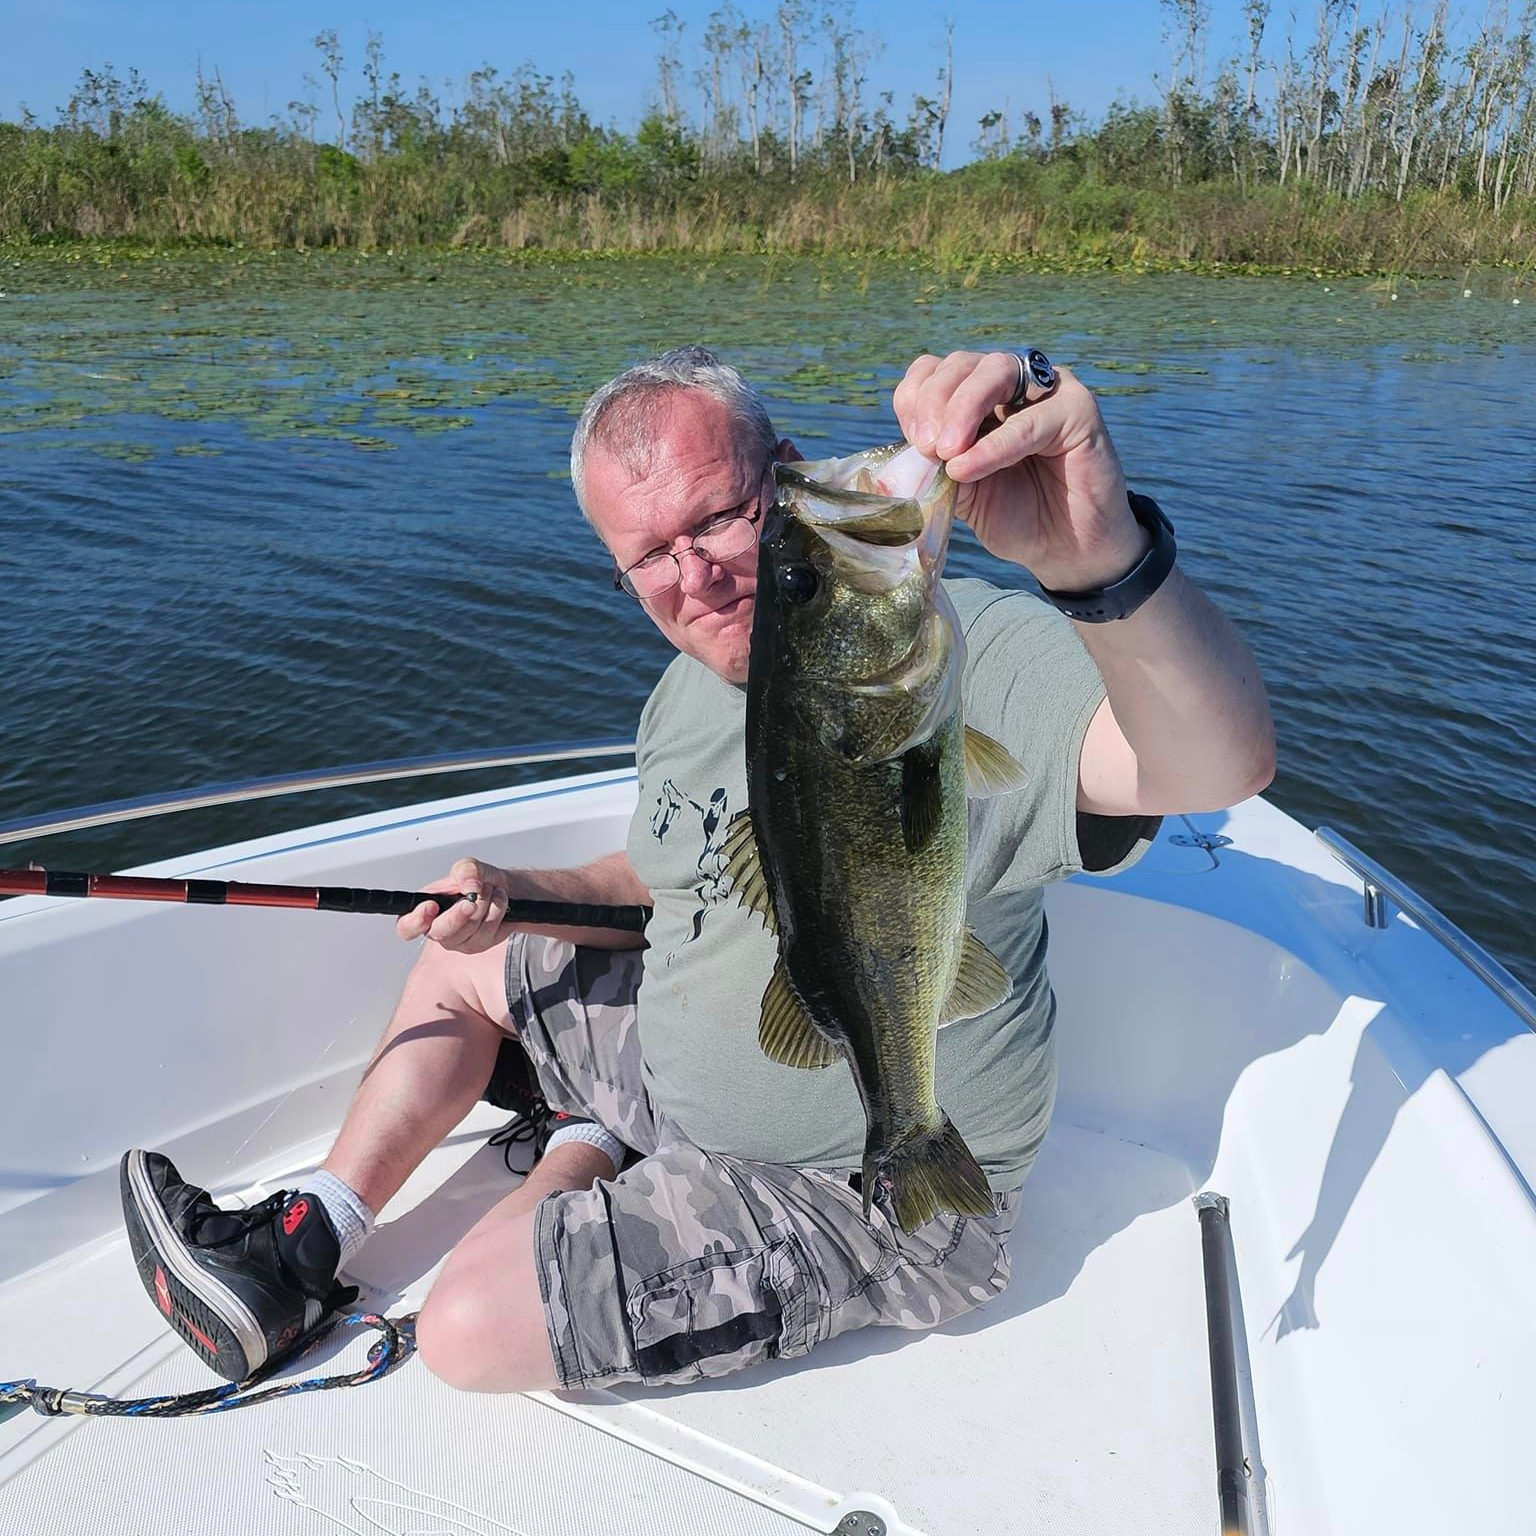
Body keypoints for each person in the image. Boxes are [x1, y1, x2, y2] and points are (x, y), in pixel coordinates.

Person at [121, 346, 1275, 1391]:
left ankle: (587, 1146)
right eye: (649, 558)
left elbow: (1210, 765)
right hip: (681, 1076)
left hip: (863, 1186)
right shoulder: (688, 685)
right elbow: (665, 872)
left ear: (779, 478)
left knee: (467, 1330)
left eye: (720, 520)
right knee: (461, 965)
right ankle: (308, 1236)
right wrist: (509, 892)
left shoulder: (969, 650)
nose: (700, 577)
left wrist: (1102, 560)